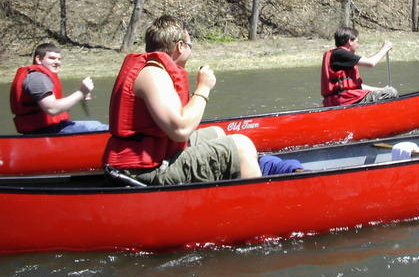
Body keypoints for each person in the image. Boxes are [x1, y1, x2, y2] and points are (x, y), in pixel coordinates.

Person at [103, 15, 264, 185]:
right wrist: (203, 88)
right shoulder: (153, 75)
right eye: (190, 45)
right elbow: (180, 130)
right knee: (243, 146)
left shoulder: (155, 70)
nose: (191, 50)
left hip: (155, 155)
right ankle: (253, 197)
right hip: (142, 171)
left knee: (217, 132)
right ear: (180, 46)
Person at [9, 43, 108, 134]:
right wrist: (81, 92)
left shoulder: (40, 76)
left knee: (95, 124)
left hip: (50, 128)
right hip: (45, 131)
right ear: (38, 59)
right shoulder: (37, 78)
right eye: (52, 58)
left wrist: (80, 96)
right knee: (101, 128)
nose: (57, 62)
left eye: (59, 59)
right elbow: (52, 109)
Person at [321, 26, 398, 107]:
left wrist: (381, 89)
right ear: (350, 42)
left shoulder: (339, 56)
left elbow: (358, 87)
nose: (358, 45)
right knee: (392, 92)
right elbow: (371, 63)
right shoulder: (340, 54)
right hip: (345, 100)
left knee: (387, 91)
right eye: (357, 42)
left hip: (343, 100)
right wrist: (386, 48)